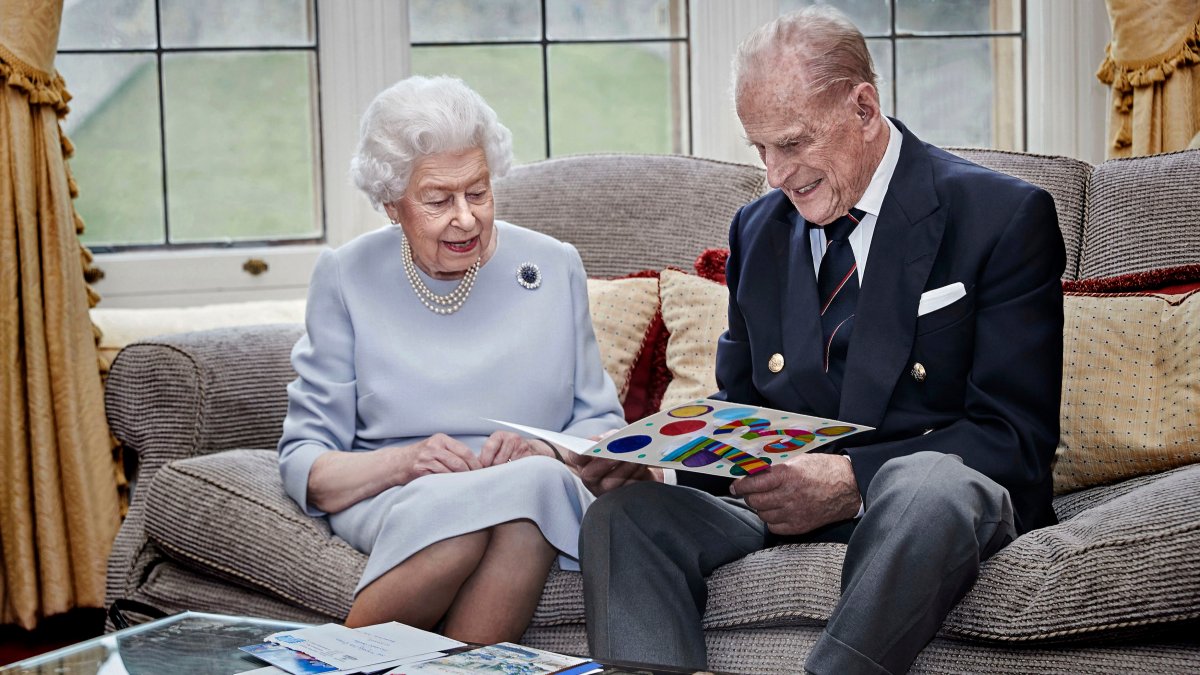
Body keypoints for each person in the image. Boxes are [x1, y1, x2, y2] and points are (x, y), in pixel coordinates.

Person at [576, 7, 1065, 674]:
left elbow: (1015, 437)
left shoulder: (1000, 216)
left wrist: (853, 480)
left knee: (928, 485)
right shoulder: (757, 229)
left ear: (863, 108)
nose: (776, 174)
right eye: (760, 149)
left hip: (928, 507)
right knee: (626, 516)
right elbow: (744, 409)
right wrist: (657, 463)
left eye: (793, 143)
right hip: (785, 507)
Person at [277, 75, 625, 643]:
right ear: (392, 204)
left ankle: (331, 662)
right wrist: (405, 463)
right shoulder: (346, 275)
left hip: (532, 484)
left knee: (529, 494)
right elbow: (307, 462)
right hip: (396, 491)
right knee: (473, 522)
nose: (465, 218)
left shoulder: (553, 265)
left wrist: (543, 449)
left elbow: (601, 424)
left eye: (478, 193)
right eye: (438, 200)